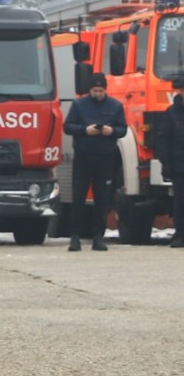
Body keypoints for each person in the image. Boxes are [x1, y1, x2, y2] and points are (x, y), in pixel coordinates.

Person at [63, 73, 127, 252]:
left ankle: (98, 236)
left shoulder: (115, 106)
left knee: (102, 199)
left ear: (105, 90)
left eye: (100, 90)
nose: (97, 94)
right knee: (78, 197)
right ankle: (74, 237)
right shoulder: (79, 105)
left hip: (106, 158)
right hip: (83, 157)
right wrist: (85, 130)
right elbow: (67, 126)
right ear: (89, 90)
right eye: (94, 90)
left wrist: (111, 131)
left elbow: (123, 129)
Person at [150, 82, 184, 247]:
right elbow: (163, 139)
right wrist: (166, 163)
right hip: (179, 165)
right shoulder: (171, 113)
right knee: (180, 202)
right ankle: (180, 235)